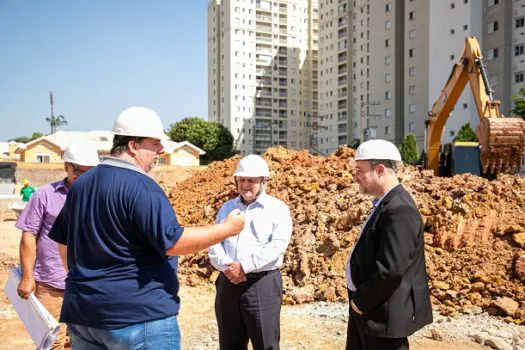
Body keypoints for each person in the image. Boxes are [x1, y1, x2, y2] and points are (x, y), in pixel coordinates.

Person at [49, 106, 245, 350]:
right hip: (137, 317)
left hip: (83, 314)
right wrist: (228, 228)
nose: (161, 150)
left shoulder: (82, 184)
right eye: (154, 144)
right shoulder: (142, 187)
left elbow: (64, 243)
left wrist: (87, 283)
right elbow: (174, 243)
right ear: (133, 145)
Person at [345, 139, 433, 350]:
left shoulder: (400, 209)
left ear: (380, 170)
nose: (355, 177)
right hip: (371, 310)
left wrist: (360, 302)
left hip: (382, 315)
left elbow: (390, 271)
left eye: (360, 171)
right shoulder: (385, 203)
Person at [16, 140, 100, 350]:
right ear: (66, 167)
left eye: (90, 172)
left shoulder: (100, 197)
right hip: (51, 285)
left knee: (79, 342)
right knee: (52, 342)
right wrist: (27, 277)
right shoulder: (44, 196)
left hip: (86, 285)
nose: (84, 177)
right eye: (79, 171)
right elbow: (29, 235)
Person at [209, 154, 293, 350]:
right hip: (228, 282)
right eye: (242, 180)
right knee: (229, 343)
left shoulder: (277, 209)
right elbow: (214, 240)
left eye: (252, 180)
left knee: (265, 344)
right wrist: (227, 267)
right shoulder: (227, 207)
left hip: (261, 284)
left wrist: (244, 267)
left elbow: (277, 246)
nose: (246, 185)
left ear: (264, 181)